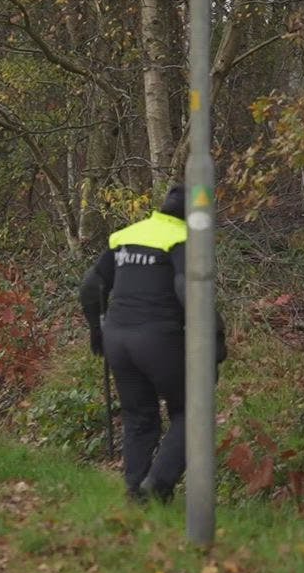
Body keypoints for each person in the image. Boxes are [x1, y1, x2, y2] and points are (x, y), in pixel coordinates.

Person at [78, 184, 225, 503]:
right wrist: (215, 344)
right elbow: (193, 294)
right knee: (193, 412)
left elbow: (91, 287)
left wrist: (96, 331)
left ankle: (135, 491)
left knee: (139, 416)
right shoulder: (184, 239)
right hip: (157, 338)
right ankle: (157, 486)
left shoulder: (127, 235)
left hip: (117, 338)